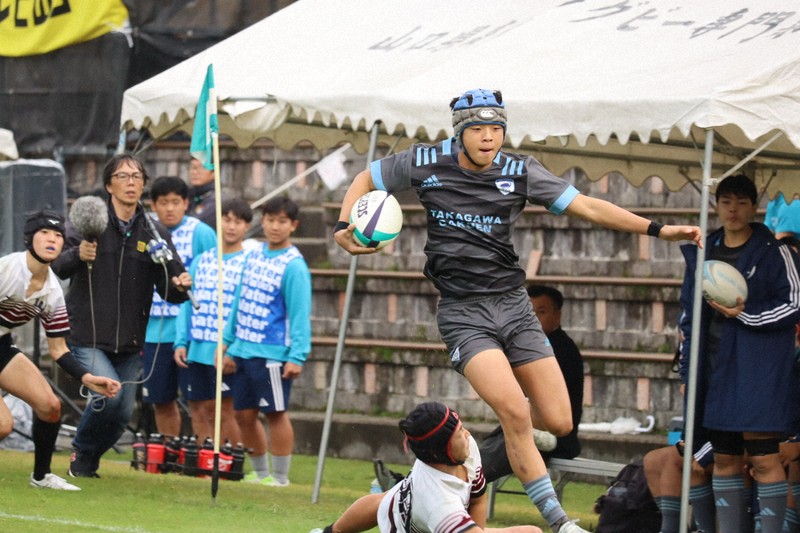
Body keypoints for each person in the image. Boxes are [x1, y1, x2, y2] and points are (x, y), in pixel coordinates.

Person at [334, 88, 702, 533]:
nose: (489, 138)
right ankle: (561, 523)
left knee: (558, 421)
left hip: (515, 308)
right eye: (479, 129)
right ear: (461, 132)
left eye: (497, 129)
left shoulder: (520, 170)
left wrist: (659, 230)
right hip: (463, 313)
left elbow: (586, 205)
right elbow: (364, 181)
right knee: (514, 412)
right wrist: (342, 225)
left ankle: (461, 458)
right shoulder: (424, 162)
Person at [51, 154, 193, 478]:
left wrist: (181, 285)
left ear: (143, 184)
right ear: (108, 185)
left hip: (130, 339)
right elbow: (58, 265)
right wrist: (78, 254)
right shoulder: (89, 221)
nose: (131, 182)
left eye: (137, 177)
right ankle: (82, 453)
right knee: (108, 396)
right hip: (86, 335)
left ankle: (87, 460)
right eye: (123, 176)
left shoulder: (154, 231)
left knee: (122, 412)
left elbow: (169, 289)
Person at [679, 174, 800, 533]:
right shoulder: (703, 250)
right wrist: (688, 370)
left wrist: (745, 314)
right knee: (725, 457)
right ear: (716, 205)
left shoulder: (776, 252)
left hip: (756, 370)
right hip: (713, 369)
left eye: (742, 202)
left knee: (764, 458)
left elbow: (793, 303)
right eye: (726, 202)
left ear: (754, 206)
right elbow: (687, 316)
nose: (733, 210)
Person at [0, 211, 120, 490]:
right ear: (29, 239)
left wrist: (88, 378)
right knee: (4, 425)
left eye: (58, 235)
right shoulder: (7, 269)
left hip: (2, 345)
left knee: (50, 406)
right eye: (44, 233)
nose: (52, 239)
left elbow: (58, 348)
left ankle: (41, 477)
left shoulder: (53, 291)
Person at [311, 401, 542, 533]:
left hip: (415, 510)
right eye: (459, 433)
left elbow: (478, 498)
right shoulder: (439, 503)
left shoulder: (464, 448)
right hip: (424, 522)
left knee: (532, 532)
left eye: (462, 427)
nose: (468, 434)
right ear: (439, 452)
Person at [222, 196, 312, 487]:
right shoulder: (253, 254)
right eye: (270, 220)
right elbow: (239, 300)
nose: (275, 227)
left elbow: (299, 313)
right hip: (243, 349)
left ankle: (281, 477)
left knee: (275, 412)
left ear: (293, 225)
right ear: (263, 221)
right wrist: (227, 342)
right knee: (242, 413)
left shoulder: (294, 265)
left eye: (282, 221)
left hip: (273, 352)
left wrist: (297, 356)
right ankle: (260, 473)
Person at [480, 285, 584, 483]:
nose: (534, 318)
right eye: (529, 312)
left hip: (552, 436)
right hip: (522, 427)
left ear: (557, 315)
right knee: (475, 456)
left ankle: (442, 491)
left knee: (478, 467)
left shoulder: (561, 351)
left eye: (541, 312)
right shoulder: (528, 346)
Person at [174, 198, 252, 444]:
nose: (231, 227)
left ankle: (230, 461)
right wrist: (180, 342)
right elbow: (187, 302)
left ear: (246, 227)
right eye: (226, 220)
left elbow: (246, 310)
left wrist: (234, 348)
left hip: (225, 350)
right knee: (198, 407)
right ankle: (202, 461)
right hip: (198, 347)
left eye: (237, 222)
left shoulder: (248, 262)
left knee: (224, 410)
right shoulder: (202, 260)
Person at [143, 176, 215, 437]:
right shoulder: (145, 229)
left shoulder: (201, 232)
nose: (170, 209)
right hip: (154, 332)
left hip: (192, 332)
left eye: (176, 202)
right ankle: (168, 456)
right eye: (163, 203)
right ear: (153, 204)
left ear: (186, 203)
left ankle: (204, 458)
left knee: (200, 402)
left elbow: (213, 274)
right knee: (161, 400)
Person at [188, 157, 219, 229]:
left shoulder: (216, 199)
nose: (195, 172)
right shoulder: (187, 195)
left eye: (201, 168)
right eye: (193, 167)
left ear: (213, 173)